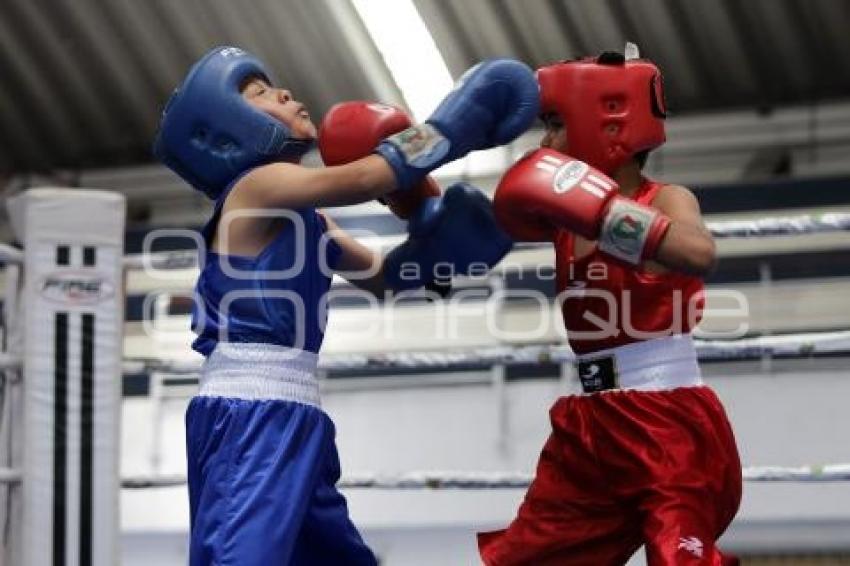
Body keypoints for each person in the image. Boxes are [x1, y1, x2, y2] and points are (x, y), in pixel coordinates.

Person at [153, 45, 537, 565]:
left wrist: (434, 255)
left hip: (297, 411)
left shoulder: (305, 214)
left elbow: (380, 277)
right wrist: (455, 125)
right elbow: (365, 179)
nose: (285, 93)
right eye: (260, 93)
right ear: (225, 127)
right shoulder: (255, 187)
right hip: (248, 412)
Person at [478, 48, 742, 565]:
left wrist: (601, 213)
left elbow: (699, 252)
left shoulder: (664, 199)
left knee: (679, 559)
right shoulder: (557, 216)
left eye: (555, 124)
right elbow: (477, 243)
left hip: (666, 414)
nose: (545, 142)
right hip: (591, 423)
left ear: (607, 128)